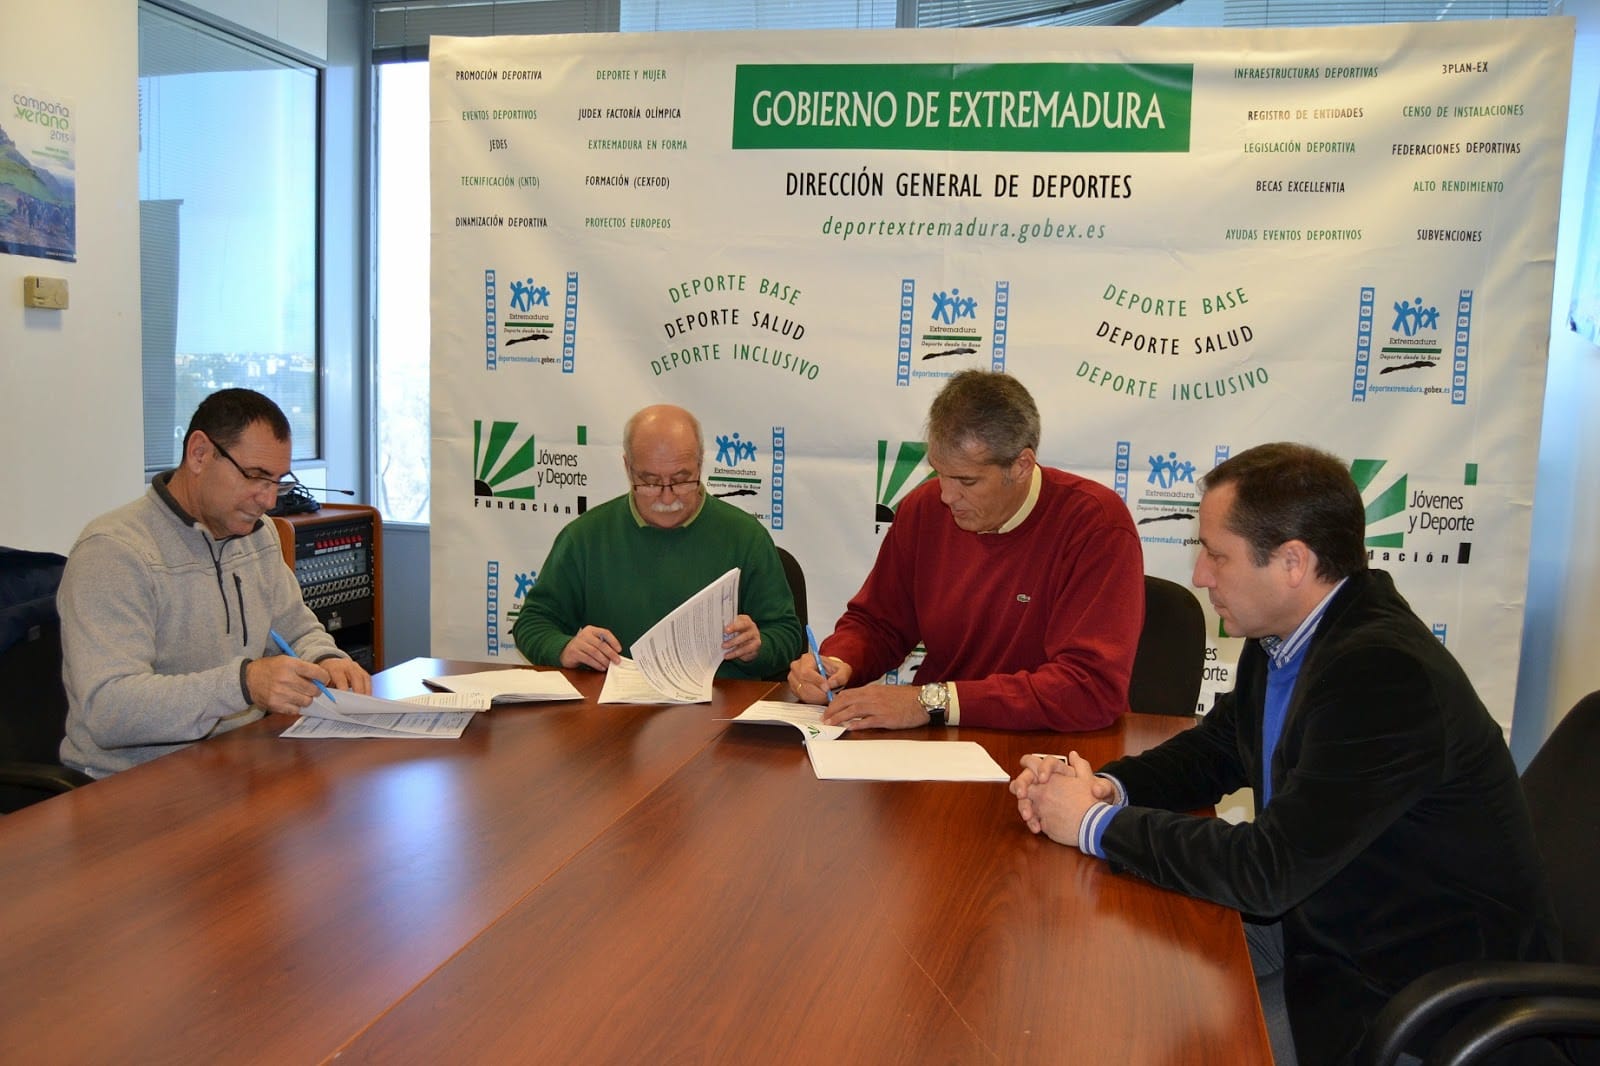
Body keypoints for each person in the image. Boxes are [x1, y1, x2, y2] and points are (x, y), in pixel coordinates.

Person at [1009, 442, 1558, 1066]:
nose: (1200, 575)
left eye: (1217, 555)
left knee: (1148, 1037)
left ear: (1293, 562)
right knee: (1110, 973)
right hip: (1320, 926)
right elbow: (1218, 749)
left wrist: (1092, 823)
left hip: (1409, 992)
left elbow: (1266, 872)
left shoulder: (1384, 675)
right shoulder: (1289, 636)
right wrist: (1108, 787)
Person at [788, 370, 1144, 732]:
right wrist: (836, 662)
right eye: (939, 472)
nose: (946, 495)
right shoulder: (924, 509)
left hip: (1052, 747)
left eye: (967, 480)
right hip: (940, 738)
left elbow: (1089, 687)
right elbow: (879, 624)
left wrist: (933, 702)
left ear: (1021, 466)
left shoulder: (1095, 524)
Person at [60, 389, 372, 778]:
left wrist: (325, 659)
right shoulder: (114, 552)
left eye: (278, 482)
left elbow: (294, 629)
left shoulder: (258, 535)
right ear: (199, 454)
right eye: (256, 476)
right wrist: (244, 684)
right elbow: (109, 710)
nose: (268, 500)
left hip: (236, 761)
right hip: (132, 781)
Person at [512, 404, 801, 680]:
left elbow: (787, 635)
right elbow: (533, 621)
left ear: (700, 464)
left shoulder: (745, 536)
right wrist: (564, 648)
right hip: (614, 705)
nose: (667, 496)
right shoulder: (585, 537)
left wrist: (757, 646)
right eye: (650, 482)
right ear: (628, 468)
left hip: (721, 703)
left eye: (681, 479)